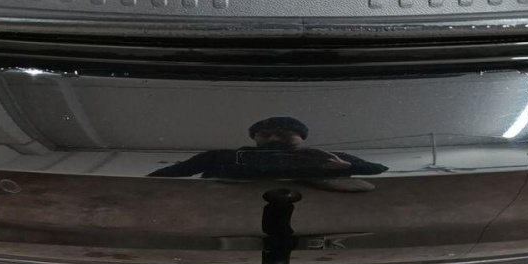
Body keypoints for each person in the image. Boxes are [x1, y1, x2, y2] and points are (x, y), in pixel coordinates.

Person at [147, 117, 387, 180]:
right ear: (255, 138)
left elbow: (379, 169)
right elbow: (167, 175)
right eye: (265, 134)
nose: (273, 138)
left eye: (284, 134)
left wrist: (346, 166)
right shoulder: (222, 156)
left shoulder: (324, 157)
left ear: (300, 138)